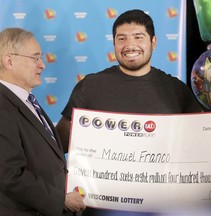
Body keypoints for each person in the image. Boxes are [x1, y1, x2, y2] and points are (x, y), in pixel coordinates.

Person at [56, 9, 202, 216]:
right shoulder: (90, 86)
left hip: (160, 207)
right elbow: (56, 146)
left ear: (154, 42)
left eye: (138, 37)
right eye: (121, 38)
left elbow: (200, 146)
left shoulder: (176, 90)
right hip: (100, 208)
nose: (129, 45)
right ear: (114, 43)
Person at [0, 27, 86, 216]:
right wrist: (60, 200)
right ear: (9, 61)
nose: (42, 65)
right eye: (35, 58)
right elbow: (8, 174)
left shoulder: (25, 100)